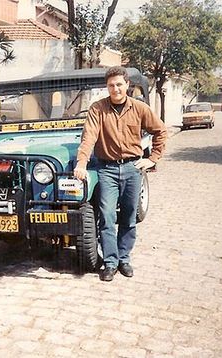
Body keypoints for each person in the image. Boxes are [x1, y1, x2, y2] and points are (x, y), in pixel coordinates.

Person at [73, 66, 167, 282]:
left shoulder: (140, 108)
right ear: (107, 87)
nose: (115, 89)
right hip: (107, 170)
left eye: (119, 84)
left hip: (133, 169)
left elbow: (160, 131)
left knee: (129, 216)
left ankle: (124, 259)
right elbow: (89, 137)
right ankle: (110, 262)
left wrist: (152, 158)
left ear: (127, 86)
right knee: (107, 217)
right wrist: (81, 163)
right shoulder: (98, 109)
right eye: (111, 85)